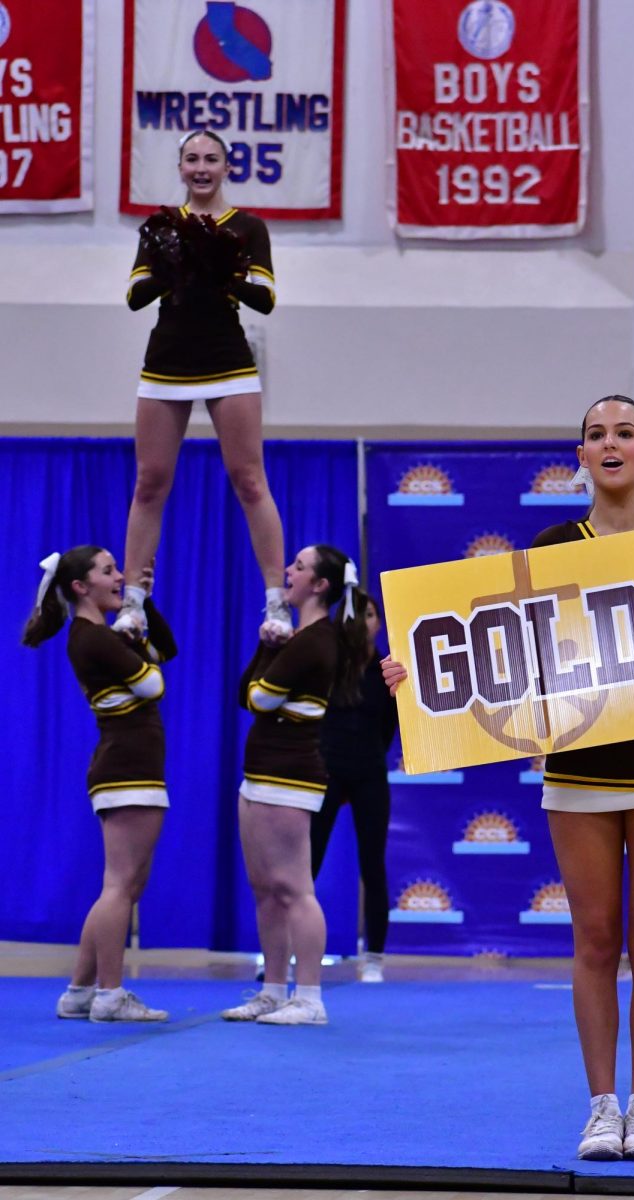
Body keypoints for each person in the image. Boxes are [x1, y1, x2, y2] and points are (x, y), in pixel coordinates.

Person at [382, 396, 634, 1162]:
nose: (609, 443)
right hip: (578, 770)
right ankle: (599, 1106)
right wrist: (414, 677)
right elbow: (503, 664)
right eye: (594, 434)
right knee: (594, 939)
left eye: (624, 433)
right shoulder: (552, 545)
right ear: (579, 456)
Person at [120, 128, 288, 641]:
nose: (200, 166)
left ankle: (277, 604)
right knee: (150, 483)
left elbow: (265, 299)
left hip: (227, 358)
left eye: (211, 158)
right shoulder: (161, 227)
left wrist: (220, 266)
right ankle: (132, 603)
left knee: (249, 480)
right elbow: (133, 295)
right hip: (167, 358)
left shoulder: (248, 228)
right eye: (191, 158)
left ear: (226, 168)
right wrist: (176, 265)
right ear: (180, 168)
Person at [22, 547, 176, 1022]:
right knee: (120, 885)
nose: (120, 577)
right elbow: (154, 685)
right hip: (127, 766)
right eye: (109, 572)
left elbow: (165, 650)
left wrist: (141, 604)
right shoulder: (90, 637)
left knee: (123, 886)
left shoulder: (102, 635)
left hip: (130, 764)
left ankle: (79, 991)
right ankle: (110, 994)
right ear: (79, 587)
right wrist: (128, 634)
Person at [222, 545, 355, 1026]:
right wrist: (268, 643)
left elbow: (259, 697)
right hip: (260, 774)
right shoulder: (299, 637)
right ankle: (273, 990)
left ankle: (311, 997)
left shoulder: (316, 640)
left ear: (320, 585)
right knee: (265, 890)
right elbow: (246, 694)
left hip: (290, 776)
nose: (288, 572)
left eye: (299, 566)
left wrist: (273, 648)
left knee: (296, 888)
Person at [311, 591, 398, 984]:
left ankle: (375, 957)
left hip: (368, 771)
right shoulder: (327, 664)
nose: (364, 621)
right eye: (356, 614)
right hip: (326, 770)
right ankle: (290, 952)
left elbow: (388, 731)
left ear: (379, 622)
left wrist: (367, 761)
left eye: (371, 614)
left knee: (373, 864)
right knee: (305, 863)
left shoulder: (387, 670)